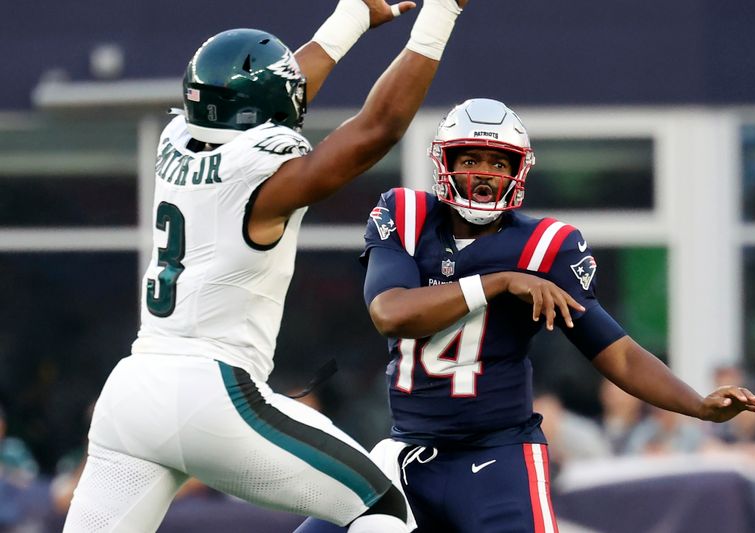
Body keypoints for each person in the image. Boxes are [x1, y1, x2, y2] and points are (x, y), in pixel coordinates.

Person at [62, 1, 472, 532]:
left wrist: (351, 17)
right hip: (212, 394)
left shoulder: (178, 137)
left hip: (132, 393)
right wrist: (441, 13)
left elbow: (277, 93)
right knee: (382, 507)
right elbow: (379, 127)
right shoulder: (261, 177)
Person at [296, 98, 755, 533]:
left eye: (498, 162)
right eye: (470, 159)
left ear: (518, 171)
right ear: (445, 164)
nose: (483, 173)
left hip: (498, 456)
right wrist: (500, 282)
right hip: (406, 455)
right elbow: (390, 313)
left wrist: (696, 404)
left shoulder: (546, 247)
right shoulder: (406, 216)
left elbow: (615, 352)